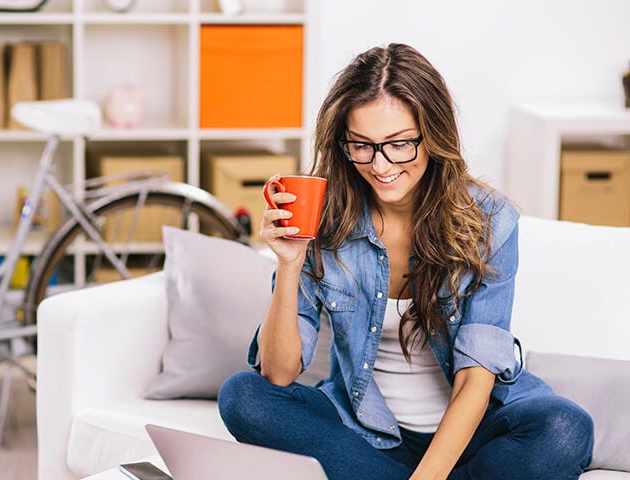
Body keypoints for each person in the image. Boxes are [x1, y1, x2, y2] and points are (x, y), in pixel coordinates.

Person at [217, 43, 594, 480]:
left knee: (565, 428)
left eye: (399, 145)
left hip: (473, 434)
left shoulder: (490, 220)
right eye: (362, 145)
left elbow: (476, 379)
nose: (380, 165)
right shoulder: (324, 216)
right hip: (367, 435)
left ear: (433, 136)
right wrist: (288, 263)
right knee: (242, 396)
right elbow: (278, 374)